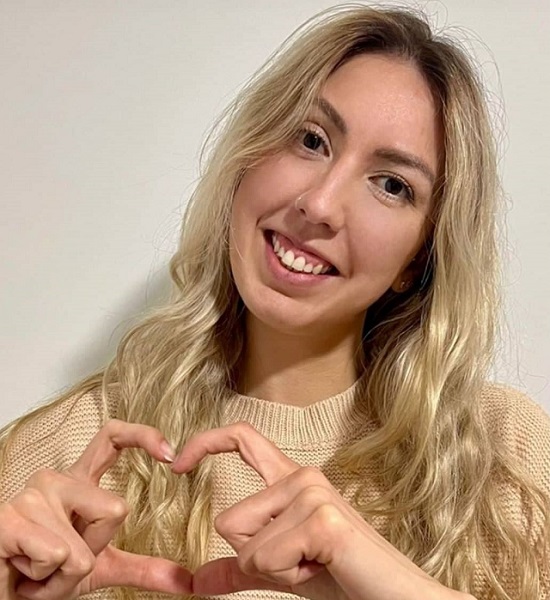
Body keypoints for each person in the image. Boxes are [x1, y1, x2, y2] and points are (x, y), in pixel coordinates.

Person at [1, 4, 549, 600]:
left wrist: (382, 576)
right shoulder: (65, 452)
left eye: (392, 185)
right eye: (311, 140)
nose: (320, 204)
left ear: (418, 259)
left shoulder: (508, 461)